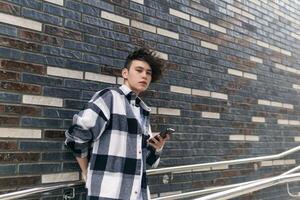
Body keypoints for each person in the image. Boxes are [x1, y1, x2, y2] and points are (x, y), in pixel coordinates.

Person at [65, 48, 169, 200]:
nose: (144, 75)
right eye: (139, 70)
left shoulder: (142, 110)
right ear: (125, 73)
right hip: (108, 194)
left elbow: (147, 162)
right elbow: (76, 136)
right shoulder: (110, 97)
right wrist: (86, 171)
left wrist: (157, 148)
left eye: (148, 73)